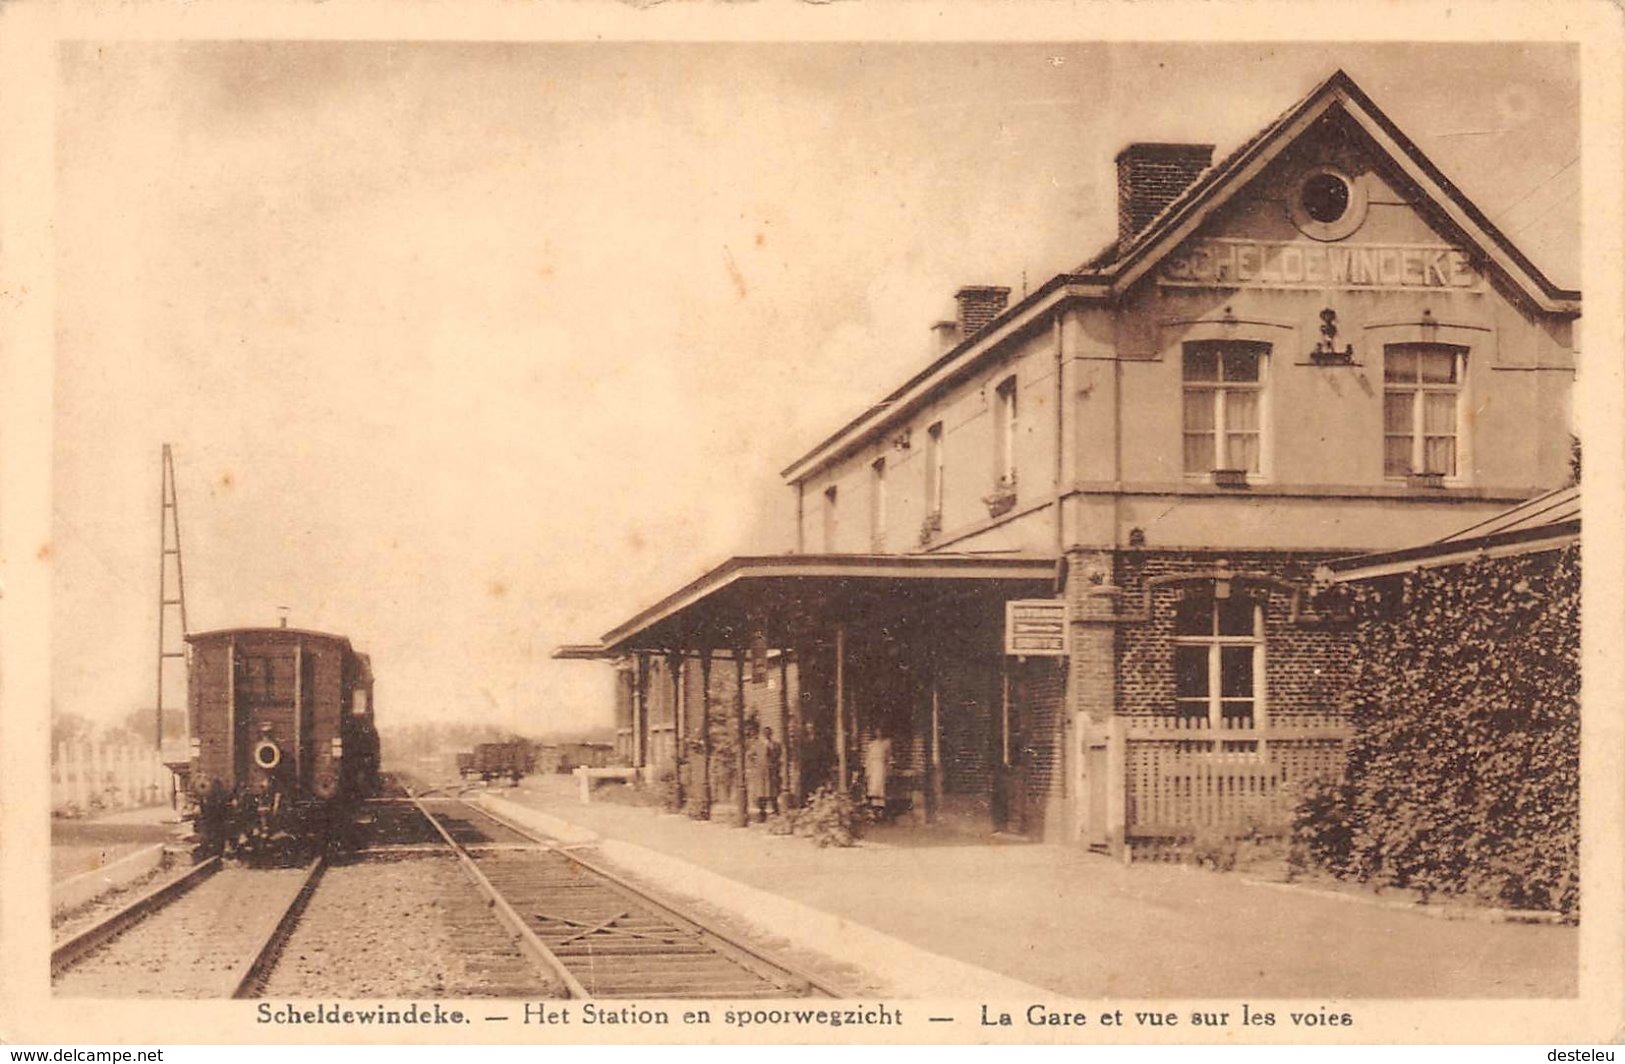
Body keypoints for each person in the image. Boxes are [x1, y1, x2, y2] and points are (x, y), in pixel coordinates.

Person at [752, 726, 782, 822]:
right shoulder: (758, 745)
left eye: (769, 733)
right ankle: (762, 813)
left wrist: (776, 765)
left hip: (772, 771)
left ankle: (776, 811)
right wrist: (756, 765)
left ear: (771, 734)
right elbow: (751, 756)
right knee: (762, 792)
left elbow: (778, 755)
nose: (767, 735)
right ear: (763, 734)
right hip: (761, 772)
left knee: (773, 791)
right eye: (765, 733)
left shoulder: (776, 745)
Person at [864, 732, 893, 818]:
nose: (878, 733)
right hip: (873, 767)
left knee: (880, 787)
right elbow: (868, 758)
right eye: (876, 732)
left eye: (880, 731)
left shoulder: (886, 743)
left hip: (881, 767)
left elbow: (888, 757)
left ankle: (881, 810)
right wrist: (867, 771)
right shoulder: (872, 744)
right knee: (873, 787)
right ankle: (873, 810)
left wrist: (888, 768)